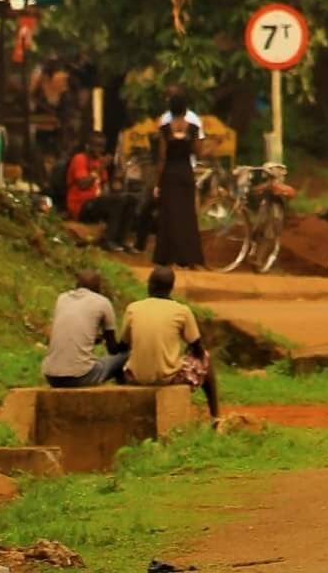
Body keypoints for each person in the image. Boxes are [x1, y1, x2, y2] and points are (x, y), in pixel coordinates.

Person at [124, 265, 220, 421]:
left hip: (135, 376)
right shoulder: (181, 311)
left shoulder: (133, 308)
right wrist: (190, 350)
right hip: (167, 378)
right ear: (171, 288)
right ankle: (215, 416)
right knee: (206, 361)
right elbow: (198, 348)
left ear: (149, 284)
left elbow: (124, 344)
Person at [42, 268, 126, 388]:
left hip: (51, 376)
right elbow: (112, 349)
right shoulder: (102, 302)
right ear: (98, 288)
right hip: (80, 376)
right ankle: (122, 392)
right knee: (124, 357)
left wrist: (94, 338)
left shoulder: (62, 299)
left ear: (77, 285)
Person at [150, 94, 204, 269]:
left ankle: (167, 258)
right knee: (187, 215)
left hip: (170, 174)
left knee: (169, 215)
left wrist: (157, 183)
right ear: (185, 109)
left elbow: (162, 158)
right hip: (185, 173)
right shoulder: (194, 128)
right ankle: (188, 258)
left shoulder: (165, 129)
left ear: (170, 110)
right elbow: (197, 152)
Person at [65, 132, 111, 221]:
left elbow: (105, 186)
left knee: (124, 201)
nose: (100, 150)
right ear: (88, 146)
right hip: (81, 206)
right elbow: (82, 184)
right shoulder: (80, 159)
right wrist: (101, 167)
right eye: (96, 146)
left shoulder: (99, 162)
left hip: (96, 203)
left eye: (102, 147)